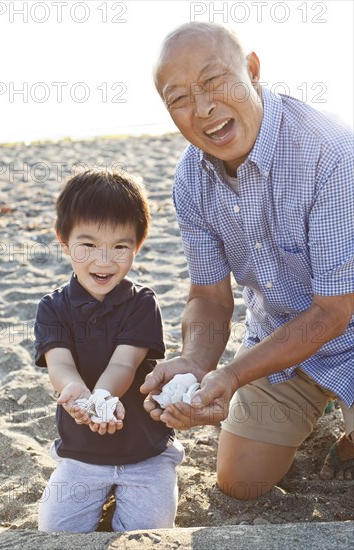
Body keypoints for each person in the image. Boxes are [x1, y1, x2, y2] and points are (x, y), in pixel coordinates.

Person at [141, 22, 354, 499]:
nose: (203, 108)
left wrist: (234, 375)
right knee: (241, 483)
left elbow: (335, 312)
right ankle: (313, 406)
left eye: (214, 81)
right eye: (179, 98)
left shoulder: (332, 152)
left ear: (252, 70)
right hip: (277, 343)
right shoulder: (190, 178)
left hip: (348, 331)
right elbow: (209, 295)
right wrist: (197, 362)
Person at [34, 169, 184, 532]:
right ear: (63, 240)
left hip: (145, 452)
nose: (104, 261)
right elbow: (60, 364)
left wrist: (102, 396)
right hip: (80, 454)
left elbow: (124, 362)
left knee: (149, 532)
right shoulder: (52, 307)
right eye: (88, 245)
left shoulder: (142, 303)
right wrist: (77, 392)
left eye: (120, 247)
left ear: (138, 244)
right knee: (55, 531)